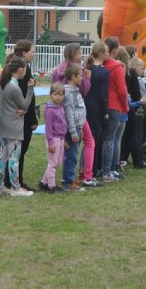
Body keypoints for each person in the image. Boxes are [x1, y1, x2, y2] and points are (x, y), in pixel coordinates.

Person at [53, 42, 95, 188]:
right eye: (79, 53)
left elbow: (54, 90)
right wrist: (87, 78)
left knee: (69, 148)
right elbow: (84, 91)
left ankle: (70, 178)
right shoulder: (73, 80)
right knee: (74, 149)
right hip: (74, 119)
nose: (81, 55)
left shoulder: (59, 69)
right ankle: (71, 180)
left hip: (64, 115)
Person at [0, 56, 35, 197]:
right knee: (14, 158)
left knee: (3, 157)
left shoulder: (4, 83)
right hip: (15, 126)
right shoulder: (14, 87)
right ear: (20, 70)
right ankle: (16, 187)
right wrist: (30, 90)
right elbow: (24, 105)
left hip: (5, 124)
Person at [62, 64, 100, 189]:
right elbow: (69, 113)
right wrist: (73, 132)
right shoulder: (69, 93)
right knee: (71, 156)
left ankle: (69, 180)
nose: (82, 78)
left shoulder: (75, 90)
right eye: (80, 76)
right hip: (74, 128)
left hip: (78, 126)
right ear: (73, 77)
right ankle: (68, 182)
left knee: (73, 154)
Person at [9, 40, 39, 191]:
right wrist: (32, 118)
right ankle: (16, 181)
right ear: (23, 53)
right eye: (31, 51)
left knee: (18, 150)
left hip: (22, 114)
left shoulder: (25, 69)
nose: (33, 54)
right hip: (21, 115)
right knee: (18, 150)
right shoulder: (21, 71)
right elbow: (25, 96)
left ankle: (15, 179)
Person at [101, 38, 129, 180]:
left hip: (100, 104)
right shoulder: (117, 67)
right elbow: (122, 91)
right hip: (114, 105)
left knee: (100, 138)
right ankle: (109, 170)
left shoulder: (98, 65)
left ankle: (97, 168)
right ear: (115, 51)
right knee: (110, 139)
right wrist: (125, 108)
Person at [84, 42, 111, 183]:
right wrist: (105, 111)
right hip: (97, 107)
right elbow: (103, 95)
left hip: (87, 105)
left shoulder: (88, 68)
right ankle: (93, 168)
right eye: (106, 52)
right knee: (95, 138)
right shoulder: (104, 71)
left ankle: (87, 167)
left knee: (88, 138)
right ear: (101, 54)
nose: (108, 55)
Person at [121, 55, 146, 169]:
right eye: (142, 68)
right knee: (133, 134)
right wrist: (137, 106)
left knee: (122, 136)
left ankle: (122, 158)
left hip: (121, 107)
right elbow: (137, 92)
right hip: (130, 107)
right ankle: (138, 160)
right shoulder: (131, 73)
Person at [41, 83, 68, 193]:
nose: (58, 96)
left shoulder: (61, 108)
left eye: (61, 94)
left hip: (61, 138)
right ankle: (51, 186)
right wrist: (50, 142)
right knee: (52, 163)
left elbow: (64, 123)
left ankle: (44, 182)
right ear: (51, 95)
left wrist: (65, 139)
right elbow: (48, 127)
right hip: (53, 139)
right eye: (56, 94)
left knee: (58, 162)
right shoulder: (49, 109)